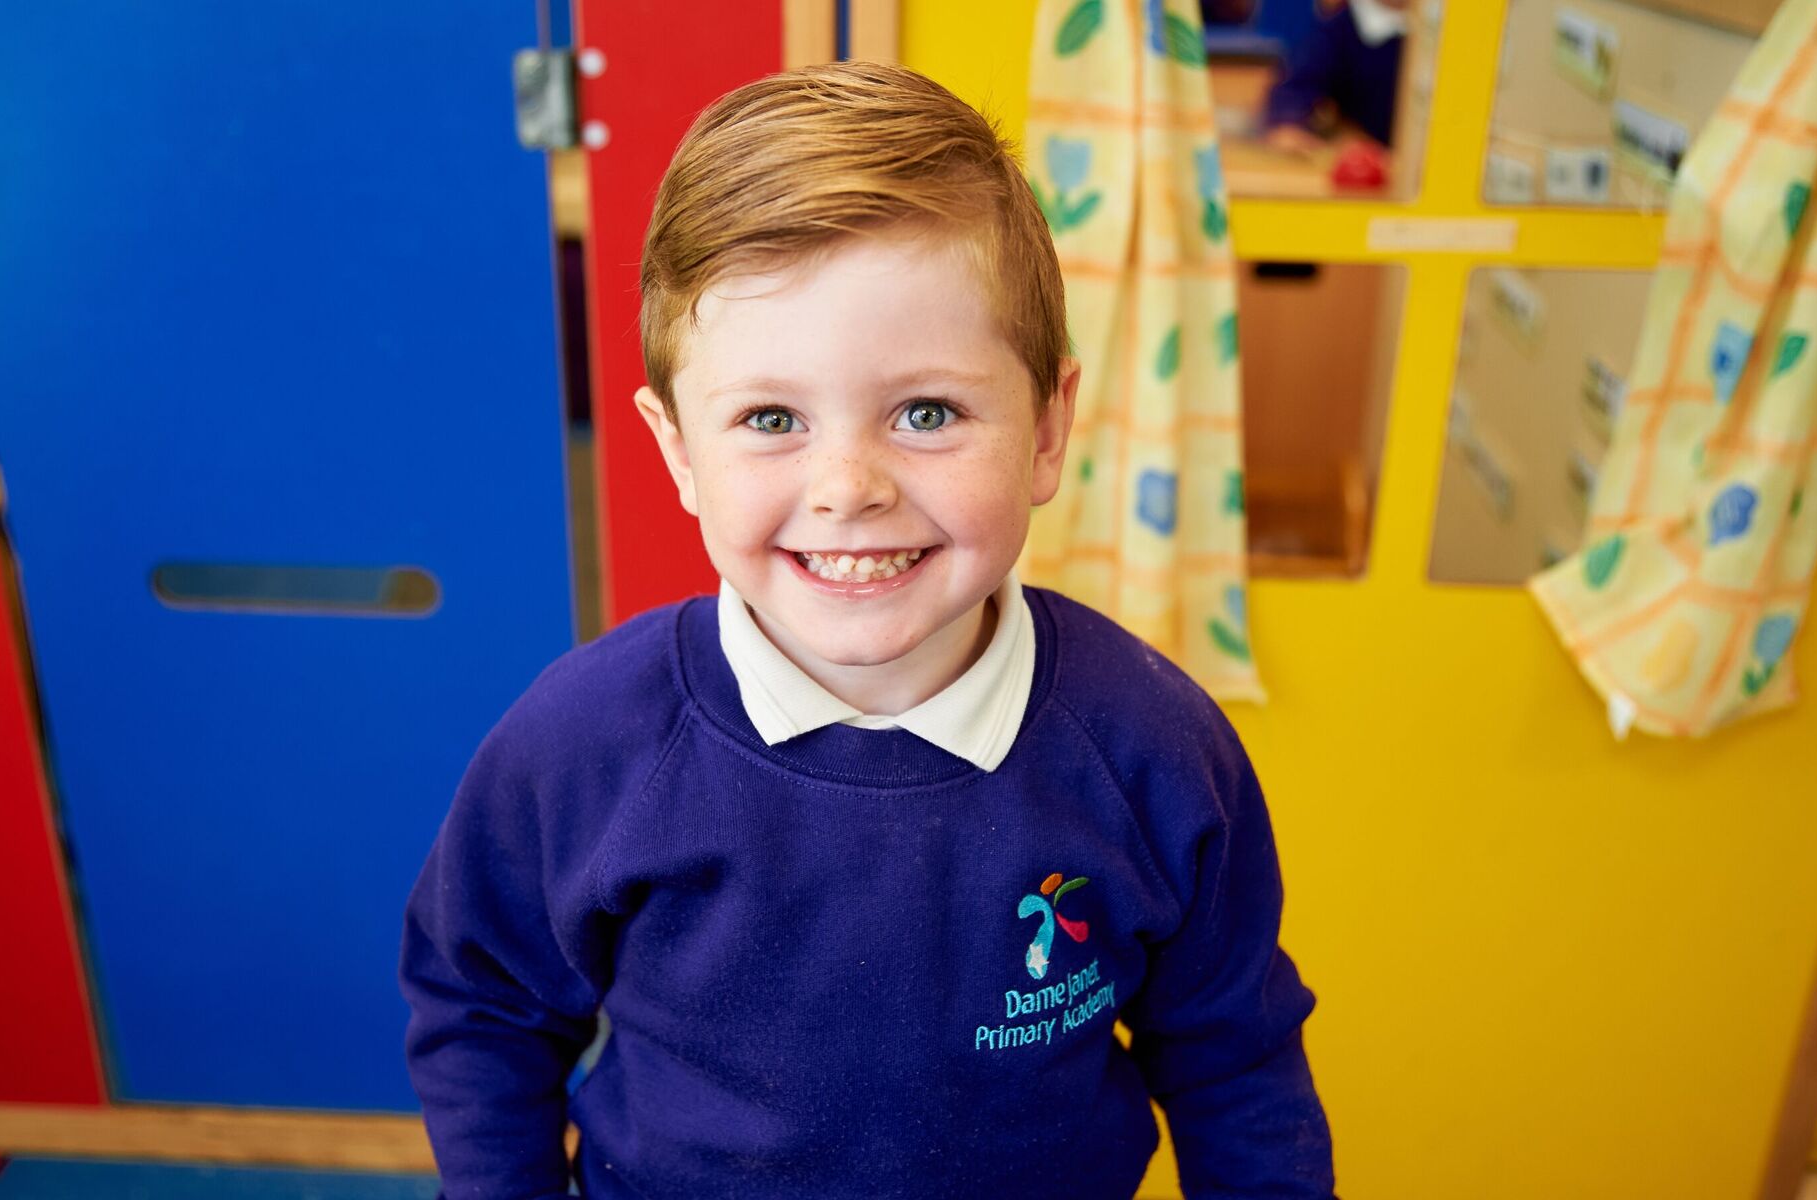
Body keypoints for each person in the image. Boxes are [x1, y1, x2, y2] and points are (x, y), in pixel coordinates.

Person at [399, 61, 1334, 1199]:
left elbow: (1233, 1058)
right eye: (771, 419)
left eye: (925, 412)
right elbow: (483, 1006)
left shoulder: (1152, 748)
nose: (847, 487)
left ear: (1046, 428)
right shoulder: (582, 746)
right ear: (679, 451)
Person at [1264, 0, 1409, 153]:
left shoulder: (1431, 33)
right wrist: (1288, 122)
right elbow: (1296, 86)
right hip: (1371, 152)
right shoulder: (1342, 28)